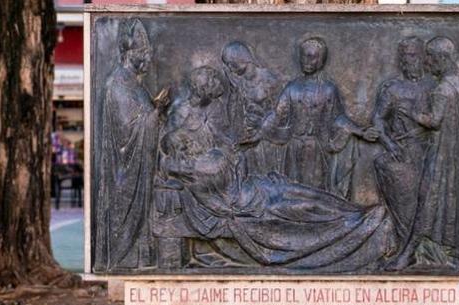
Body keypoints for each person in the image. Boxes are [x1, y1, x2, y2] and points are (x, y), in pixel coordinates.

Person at [158, 65, 396, 273]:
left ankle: (356, 213)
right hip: (246, 204)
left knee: (304, 193)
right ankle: (357, 224)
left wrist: (243, 143)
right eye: (185, 144)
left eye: (188, 141)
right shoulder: (196, 162)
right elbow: (185, 164)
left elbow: (227, 145)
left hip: (254, 188)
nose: (190, 142)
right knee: (303, 206)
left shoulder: (209, 136)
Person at [393, 36, 459, 268]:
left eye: (431, 59)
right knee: (452, 201)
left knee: (429, 199)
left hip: (441, 154)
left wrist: (412, 113)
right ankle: (451, 250)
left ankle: (413, 251)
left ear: (443, 59)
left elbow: (433, 121)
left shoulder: (442, 89)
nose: (427, 64)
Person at [258, 37, 378, 199]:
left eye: (312, 57)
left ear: (320, 61)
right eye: (304, 56)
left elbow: (338, 118)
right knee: (291, 194)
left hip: (316, 151)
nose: (307, 61)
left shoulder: (328, 90)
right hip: (293, 150)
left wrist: (360, 131)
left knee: (316, 195)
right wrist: (261, 129)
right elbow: (278, 116)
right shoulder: (292, 88)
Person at [94, 19, 169, 270]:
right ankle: (124, 258)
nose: (148, 60)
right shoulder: (118, 84)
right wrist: (156, 112)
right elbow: (129, 130)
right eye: (143, 54)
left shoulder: (134, 84)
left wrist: (156, 110)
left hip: (141, 168)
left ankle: (142, 258)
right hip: (125, 173)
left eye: (148, 54)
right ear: (129, 54)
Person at [370, 37, 434, 235]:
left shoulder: (433, 86)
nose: (408, 61)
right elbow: (378, 120)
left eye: (413, 56)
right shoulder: (393, 89)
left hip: (429, 151)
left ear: (423, 57)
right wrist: (389, 145)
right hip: (401, 150)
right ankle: (404, 238)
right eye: (404, 57)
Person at [220, 41, 283, 176]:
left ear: (240, 59)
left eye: (230, 64)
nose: (230, 69)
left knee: (268, 179)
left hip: (267, 141)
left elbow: (278, 113)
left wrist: (260, 134)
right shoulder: (240, 83)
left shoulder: (269, 80)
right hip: (248, 141)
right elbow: (233, 114)